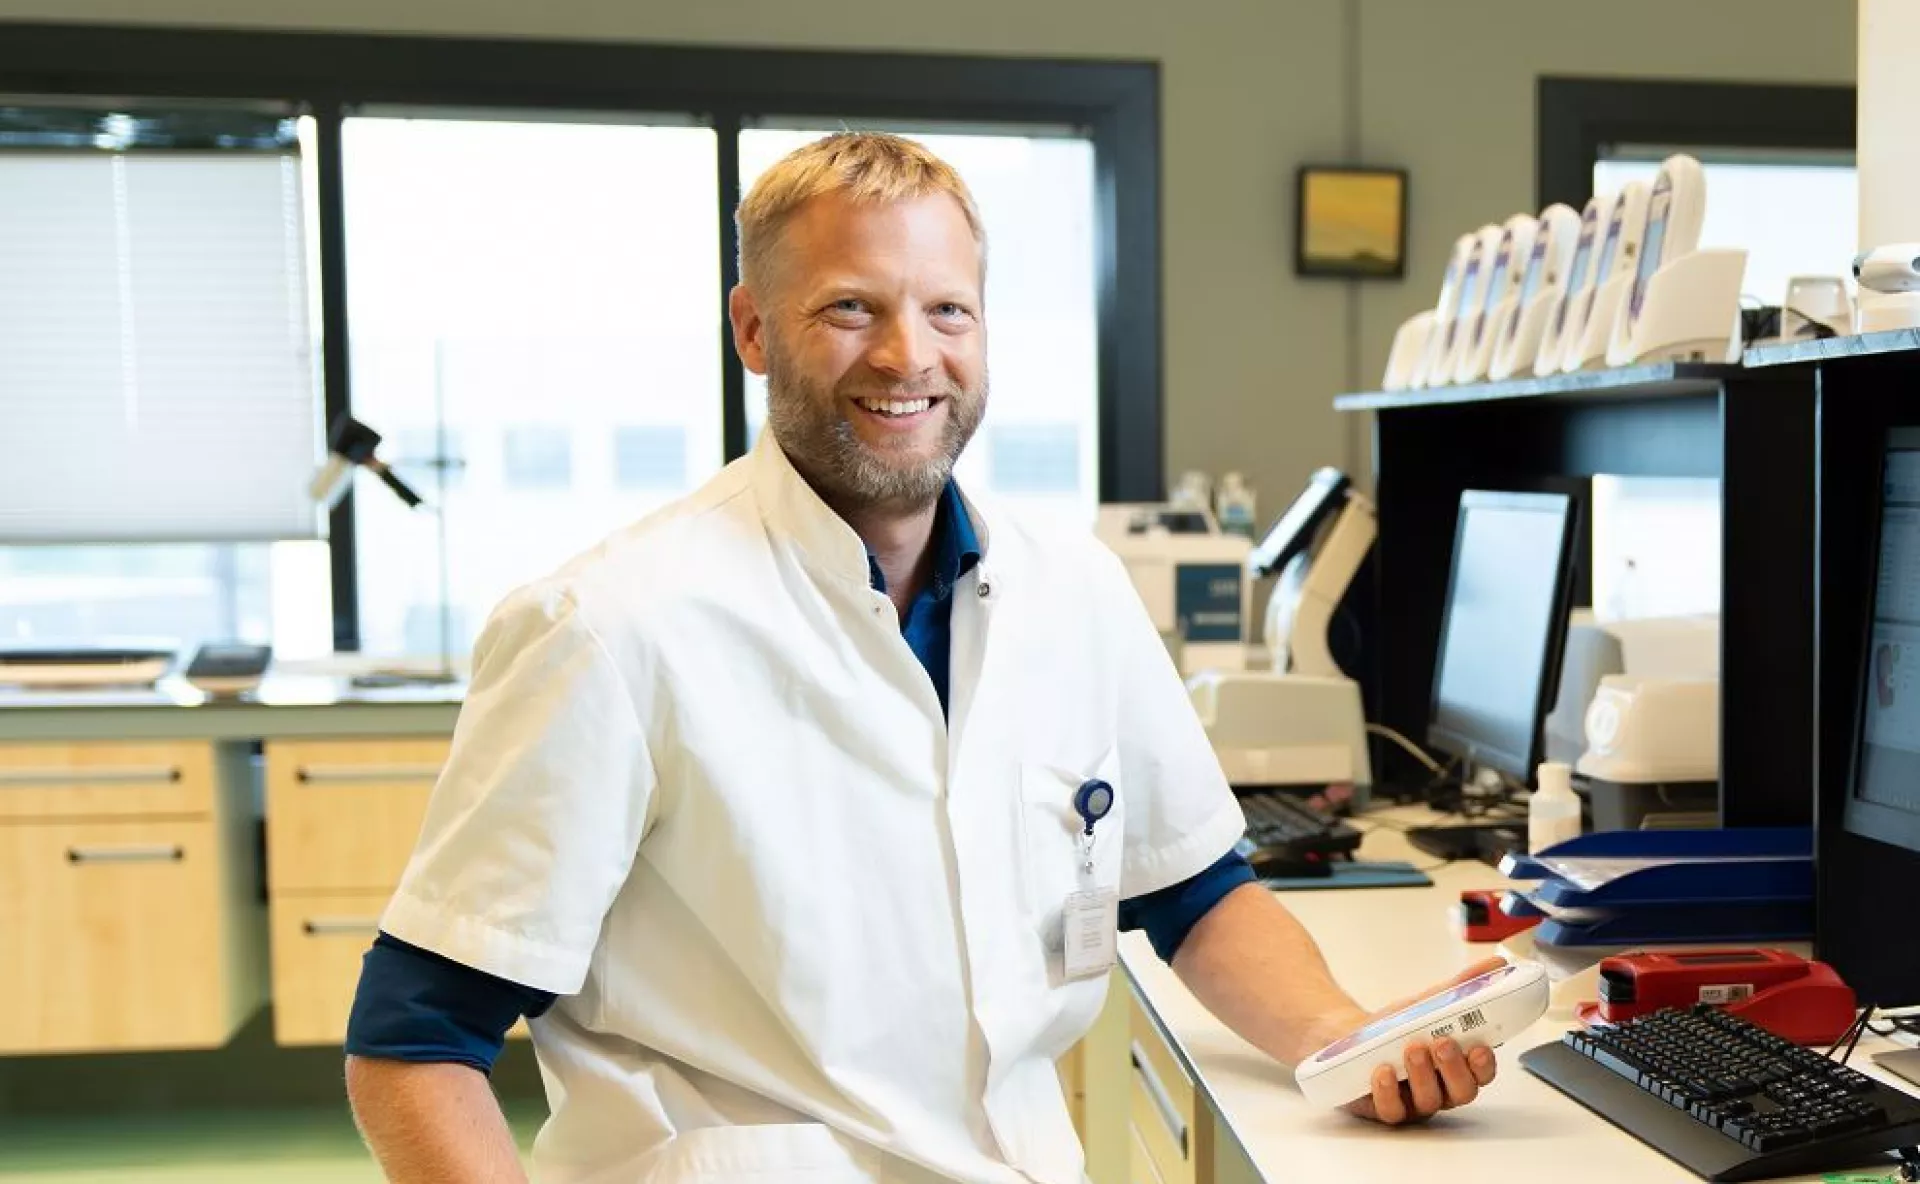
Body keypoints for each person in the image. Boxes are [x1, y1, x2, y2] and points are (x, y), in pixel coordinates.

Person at [342, 133, 1500, 1184]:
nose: (909, 355)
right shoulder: (607, 626)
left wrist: (1351, 1043)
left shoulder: (1073, 592)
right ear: (753, 329)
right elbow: (412, 1039)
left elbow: (1193, 892)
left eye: (949, 310)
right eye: (851, 307)